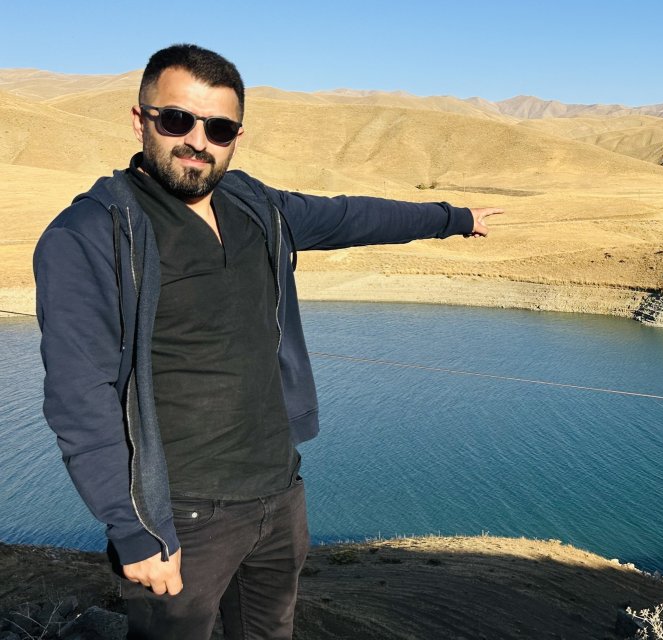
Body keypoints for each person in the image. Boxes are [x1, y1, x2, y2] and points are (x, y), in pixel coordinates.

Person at [32, 43, 502, 639]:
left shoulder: (253, 205)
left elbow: (350, 216)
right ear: (140, 119)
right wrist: (135, 531)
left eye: (219, 128)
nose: (197, 141)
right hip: (182, 514)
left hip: (278, 495)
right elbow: (79, 395)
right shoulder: (92, 233)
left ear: (237, 136)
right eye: (177, 120)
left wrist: (452, 218)